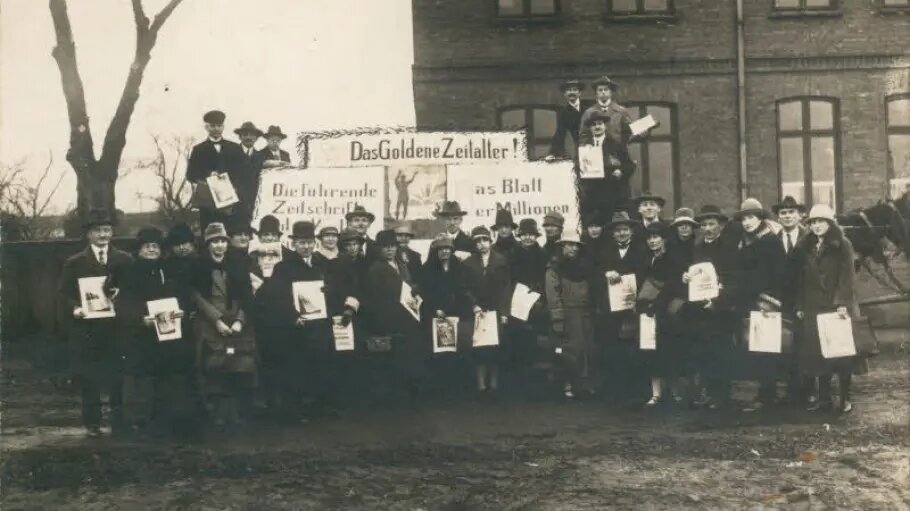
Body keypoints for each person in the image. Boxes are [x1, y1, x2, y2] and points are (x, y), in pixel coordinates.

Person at [111, 227, 194, 436]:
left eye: (155, 246)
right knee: (141, 377)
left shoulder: (168, 270)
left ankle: (165, 419)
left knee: (167, 375)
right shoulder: (129, 271)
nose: (151, 250)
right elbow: (124, 303)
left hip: (167, 332)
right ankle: (139, 421)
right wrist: (140, 318)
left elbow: (180, 296)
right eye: (147, 246)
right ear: (139, 250)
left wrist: (181, 311)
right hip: (140, 333)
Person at [57, 210, 132, 437]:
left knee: (118, 375)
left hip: (117, 327)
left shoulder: (124, 259)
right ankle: (92, 423)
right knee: (90, 377)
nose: (103, 235)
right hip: (89, 329)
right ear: (88, 234)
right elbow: (63, 293)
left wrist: (123, 295)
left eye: (107, 230)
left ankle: (119, 421)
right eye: (98, 231)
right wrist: (75, 308)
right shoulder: (75, 263)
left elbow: (134, 290)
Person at [190, 222, 257, 430]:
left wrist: (239, 320)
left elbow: (247, 296)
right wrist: (216, 320)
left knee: (238, 364)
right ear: (208, 244)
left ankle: (235, 413)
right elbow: (196, 296)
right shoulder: (199, 266)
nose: (219, 246)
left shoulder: (237, 265)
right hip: (210, 323)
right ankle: (217, 414)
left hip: (236, 321)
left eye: (222, 241)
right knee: (215, 365)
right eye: (214, 242)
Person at [265, 221, 336, 418]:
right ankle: (294, 411)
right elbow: (277, 297)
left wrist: (327, 292)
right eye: (302, 243)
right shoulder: (283, 267)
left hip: (319, 323)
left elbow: (333, 291)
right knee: (296, 368)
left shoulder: (322, 265)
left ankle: (319, 407)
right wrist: (293, 316)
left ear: (315, 243)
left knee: (321, 364)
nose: (306, 247)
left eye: (309, 242)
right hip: (297, 326)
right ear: (294, 244)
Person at [794, 204, 860, 414]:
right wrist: (800, 305)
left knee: (841, 354)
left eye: (821, 221)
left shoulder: (842, 244)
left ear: (830, 223)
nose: (817, 226)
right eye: (813, 222)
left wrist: (842, 303)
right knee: (818, 354)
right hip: (813, 307)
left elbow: (847, 276)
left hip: (836, 306)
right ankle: (823, 399)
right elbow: (801, 279)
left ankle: (845, 397)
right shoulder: (805, 246)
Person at [683, 205, 742, 409]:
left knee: (721, 352)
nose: (707, 228)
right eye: (704, 224)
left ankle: (722, 395)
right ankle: (708, 392)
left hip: (720, 309)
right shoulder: (698, 247)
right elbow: (695, 273)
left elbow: (734, 279)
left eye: (711, 224)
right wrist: (687, 277)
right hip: (700, 308)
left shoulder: (728, 248)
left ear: (720, 225)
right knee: (703, 351)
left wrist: (718, 301)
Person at [733, 198, 787, 412]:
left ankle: (768, 395)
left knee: (767, 348)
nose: (747, 222)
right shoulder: (744, 240)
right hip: (749, 299)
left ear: (760, 219)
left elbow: (780, 274)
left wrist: (770, 299)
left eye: (751, 218)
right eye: (744, 219)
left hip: (766, 301)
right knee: (756, 347)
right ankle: (765, 393)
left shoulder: (770, 241)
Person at [363, 230, 426, 402]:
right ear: (379, 250)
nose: (389, 250)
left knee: (409, 353)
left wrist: (415, 293)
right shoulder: (376, 269)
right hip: (390, 316)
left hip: (408, 314)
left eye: (392, 246)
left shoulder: (401, 264)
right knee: (394, 355)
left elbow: (410, 283)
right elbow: (375, 296)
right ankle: (396, 394)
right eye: (385, 247)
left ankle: (410, 390)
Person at [597, 211, 649, 400]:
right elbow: (595, 273)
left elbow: (645, 275)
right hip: (612, 308)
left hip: (634, 306)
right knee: (613, 347)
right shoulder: (605, 252)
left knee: (634, 347)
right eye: (618, 230)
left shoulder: (641, 250)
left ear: (631, 232)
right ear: (612, 233)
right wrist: (606, 273)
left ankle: (636, 390)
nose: (621, 234)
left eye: (625, 230)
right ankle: (615, 390)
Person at [545, 230, 601, 400]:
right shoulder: (554, 268)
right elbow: (552, 295)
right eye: (568, 245)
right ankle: (567, 385)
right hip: (566, 314)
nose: (572, 249)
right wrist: (558, 318)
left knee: (587, 350)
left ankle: (585, 386)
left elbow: (593, 289)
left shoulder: (586, 267)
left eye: (575, 245)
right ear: (561, 247)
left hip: (585, 313)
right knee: (568, 351)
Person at [419, 235, 472, 396]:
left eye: (447, 249)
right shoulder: (428, 268)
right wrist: (436, 308)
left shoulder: (460, 267)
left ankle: (457, 388)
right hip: (437, 315)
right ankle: (440, 389)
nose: (444, 252)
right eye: (441, 249)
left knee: (458, 351)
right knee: (439, 352)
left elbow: (463, 289)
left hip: (457, 314)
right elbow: (425, 292)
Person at [463, 226, 512, 395]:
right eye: (478, 241)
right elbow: (465, 288)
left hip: (495, 311)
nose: (482, 244)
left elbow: (506, 288)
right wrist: (474, 305)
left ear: (490, 241)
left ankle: (494, 384)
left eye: (485, 240)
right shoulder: (468, 263)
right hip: (478, 311)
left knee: (495, 347)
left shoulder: (501, 260)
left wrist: (504, 313)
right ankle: (481, 385)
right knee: (479, 347)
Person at [773, 195, 811, 403]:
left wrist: (803, 301)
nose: (787, 216)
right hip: (781, 301)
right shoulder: (773, 240)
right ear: (778, 217)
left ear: (800, 215)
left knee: (805, 343)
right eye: (783, 213)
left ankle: (808, 390)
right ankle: (789, 390)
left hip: (804, 299)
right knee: (785, 344)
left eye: (791, 212)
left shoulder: (809, 238)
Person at [187, 110, 246, 229]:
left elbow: (243, 171)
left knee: (231, 230)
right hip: (208, 202)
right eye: (213, 126)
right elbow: (191, 174)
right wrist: (208, 174)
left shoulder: (234, 148)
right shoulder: (199, 149)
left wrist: (233, 184)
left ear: (223, 127)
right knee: (210, 230)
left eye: (219, 126)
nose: (216, 129)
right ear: (206, 127)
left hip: (232, 200)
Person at [637, 223, 673, 406]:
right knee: (650, 349)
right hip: (647, 308)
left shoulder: (670, 258)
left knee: (667, 349)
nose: (652, 241)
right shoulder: (646, 259)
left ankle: (672, 392)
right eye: (649, 238)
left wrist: (658, 304)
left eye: (656, 237)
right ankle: (656, 393)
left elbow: (671, 285)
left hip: (665, 308)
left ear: (663, 238)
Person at [576, 110, 636, 216]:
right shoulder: (584, 147)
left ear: (605, 126)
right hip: (592, 196)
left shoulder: (616, 145)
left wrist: (621, 171)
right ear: (590, 128)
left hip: (613, 194)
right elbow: (577, 168)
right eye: (593, 125)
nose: (597, 127)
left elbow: (630, 166)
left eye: (600, 124)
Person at [579, 75, 633, 146]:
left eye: (606, 89)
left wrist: (622, 146)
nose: (603, 92)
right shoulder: (589, 112)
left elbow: (629, 132)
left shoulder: (621, 111)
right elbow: (583, 135)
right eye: (600, 90)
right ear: (596, 93)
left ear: (611, 92)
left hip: (617, 152)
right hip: (595, 151)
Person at [546, 79, 593, 160]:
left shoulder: (589, 109)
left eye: (574, 90)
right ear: (565, 94)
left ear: (579, 93)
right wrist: (553, 153)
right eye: (569, 90)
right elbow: (560, 133)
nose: (572, 92)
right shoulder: (563, 113)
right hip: (577, 149)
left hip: (593, 146)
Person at [234, 121, 265, 224]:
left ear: (256, 138)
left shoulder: (261, 157)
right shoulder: (230, 153)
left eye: (252, 135)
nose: (248, 137)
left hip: (253, 204)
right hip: (233, 205)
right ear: (240, 137)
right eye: (245, 135)